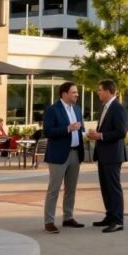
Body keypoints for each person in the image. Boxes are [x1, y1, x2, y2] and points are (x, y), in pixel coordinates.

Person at [42, 81, 86, 233]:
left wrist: (88, 134)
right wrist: (68, 128)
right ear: (64, 94)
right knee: (54, 189)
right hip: (58, 156)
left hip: (75, 154)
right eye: (74, 92)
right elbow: (47, 132)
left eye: (77, 92)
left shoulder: (77, 109)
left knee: (71, 189)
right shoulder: (53, 110)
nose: (77, 94)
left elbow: (81, 130)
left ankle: (68, 217)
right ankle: (49, 221)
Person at [87, 79, 127, 233]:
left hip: (113, 155)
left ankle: (118, 221)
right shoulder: (104, 107)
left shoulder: (118, 108)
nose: (98, 93)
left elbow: (121, 131)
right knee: (105, 188)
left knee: (113, 188)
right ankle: (110, 216)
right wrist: (96, 135)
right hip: (103, 155)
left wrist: (101, 136)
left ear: (108, 91)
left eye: (100, 90)